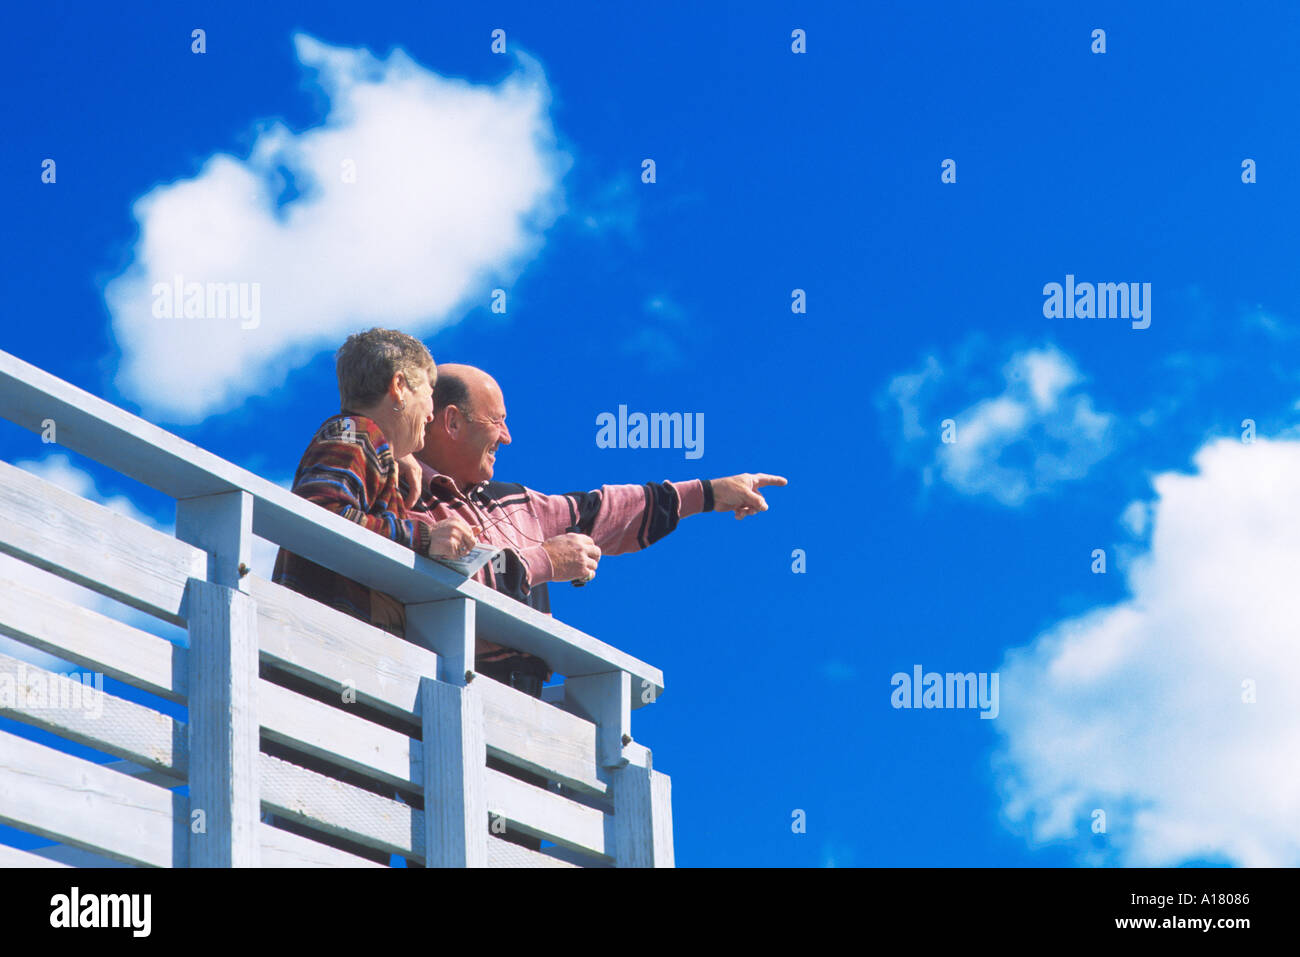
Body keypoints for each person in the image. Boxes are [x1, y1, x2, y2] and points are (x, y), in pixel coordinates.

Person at [405, 363, 787, 691]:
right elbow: (438, 579)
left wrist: (709, 493)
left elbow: (605, 511)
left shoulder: (511, 500)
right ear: (452, 421)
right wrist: (546, 561)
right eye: (497, 421)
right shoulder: (401, 492)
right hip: (441, 696)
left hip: (519, 707)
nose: (507, 437)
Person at [267, 328, 474, 864]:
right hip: (326, 670)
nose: (432, 414)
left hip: (343, 677)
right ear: (400, 387)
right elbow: (324, 513)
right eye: (429, 395)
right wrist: (423, 538)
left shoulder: (371, 445)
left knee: (351, 824)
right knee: (332, 823)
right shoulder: (352, 434)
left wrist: (398, 469)